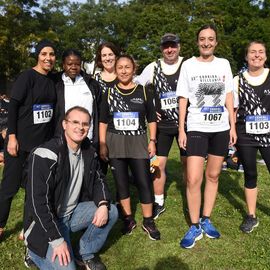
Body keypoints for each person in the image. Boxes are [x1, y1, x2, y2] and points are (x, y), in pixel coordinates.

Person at [24, 106, 118, 270]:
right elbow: (37, 203)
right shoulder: (46, 154)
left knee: (111, 210)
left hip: (72, 214)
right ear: (64, 124)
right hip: (44, 223)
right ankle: (33, 252)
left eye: (85, 124)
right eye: (75, 122)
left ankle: (85, 253)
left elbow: (98, 179)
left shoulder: (88, 151)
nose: (80, 127)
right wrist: (57, 241)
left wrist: (103, 204)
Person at [177, 24, 237, 248]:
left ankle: (206, 219)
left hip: (220, 128)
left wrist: (232, 125)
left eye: (210, 39)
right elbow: (183, 98)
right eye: (202, 39)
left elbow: (229, 94)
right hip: (196, 127)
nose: (206, 42)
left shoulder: (224, 64)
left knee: (213, 176)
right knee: (193, 178)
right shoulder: (188, 65)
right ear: (197, 42)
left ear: (216, 42)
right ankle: (194, 226)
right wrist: (182, 129)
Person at [99, 55, 160, 240]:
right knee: (121, 183)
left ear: (134, 70)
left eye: (127, 67)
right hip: (115, 142)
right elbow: (102, 121)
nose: (124, 71)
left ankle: (148, 221)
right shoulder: (108, 93)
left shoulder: (143, 91)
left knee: (143, 181)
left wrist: (152, 140)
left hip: (138, 142)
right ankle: (128, 219)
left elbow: (151, 118)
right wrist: (102, 144)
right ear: (115, 70)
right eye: (120, 67)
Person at [0, 40, 57, 240]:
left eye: (51, 54)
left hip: (40, 148)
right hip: (20, 144)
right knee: (9, 187)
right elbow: (13, 107)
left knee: (34, 190)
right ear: (37, 56)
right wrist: (12, 137)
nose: (48, 58)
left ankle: (27, 228)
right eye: (44, 54)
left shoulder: (53, 80)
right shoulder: (27, 77)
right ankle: (0, 225)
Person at [135, 33, 187, 219]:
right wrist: (150, 108)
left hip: (185, 126)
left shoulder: (187, 66)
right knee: (158, 166)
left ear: (179, 47)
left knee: (188, 166)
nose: (170, 49)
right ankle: (159, 202)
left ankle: (190, 200)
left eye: (173, 45)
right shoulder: (153, 67)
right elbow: (135, 86)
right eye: (166, 46)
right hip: (163, 125)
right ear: (161, 48)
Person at [234, 40, 270, 233]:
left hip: (269, 135)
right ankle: (251, 215)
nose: (257, 55)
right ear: (246, 56)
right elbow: (232, 109)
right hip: (245, 135)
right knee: (250, 174)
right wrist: (232, 130)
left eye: (261, 52)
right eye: (253, 52)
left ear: (265, 55)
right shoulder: (237, 80)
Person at [54, 48, 101, 148]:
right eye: (69, 64)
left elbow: (100, 113)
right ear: (63, 65)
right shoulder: (55, 83)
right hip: (63, 141)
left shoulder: (92, 84)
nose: (73, 67)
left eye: (77, 64)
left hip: (88, 140)